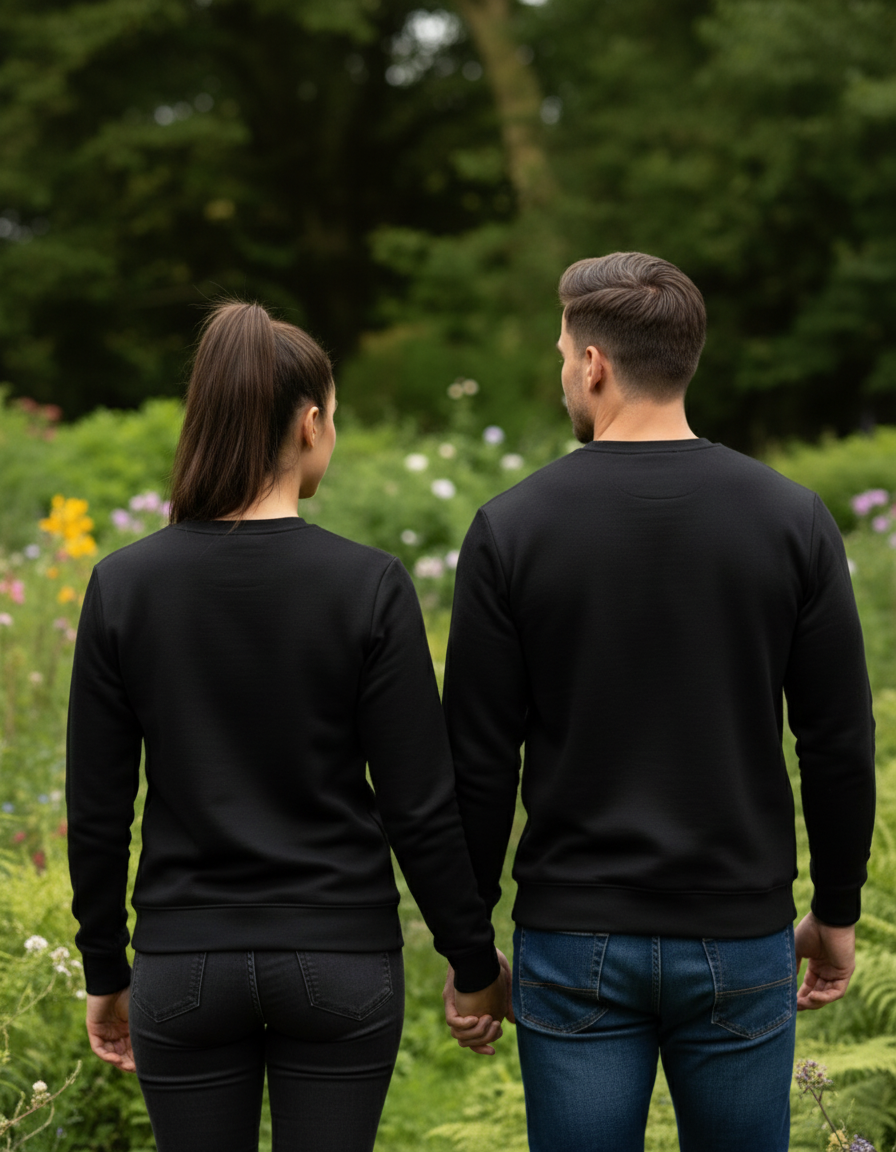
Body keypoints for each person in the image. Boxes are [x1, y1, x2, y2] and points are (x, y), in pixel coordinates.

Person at [440, 253, 876, 1151]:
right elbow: (836, 739)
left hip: (572, 936)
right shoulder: (792, 519)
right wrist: (836, 911)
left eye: (563, 352)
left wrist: (470, 951)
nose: (564, 369)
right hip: (739, 928)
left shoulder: (512, 527)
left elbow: (478, 760)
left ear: (594, 363)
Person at [65, 300, 509, 1152]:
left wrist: (104, 968)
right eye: (333, 418)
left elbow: (97, 808)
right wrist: (473, 961)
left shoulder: (124, 587)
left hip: (184, 961)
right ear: (309, 424)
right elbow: (419, 803)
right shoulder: (369, 585)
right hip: (338, 958)